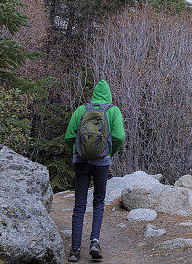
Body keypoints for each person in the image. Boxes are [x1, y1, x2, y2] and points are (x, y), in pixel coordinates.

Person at [64, 80, 125, 262]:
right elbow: (119, 136)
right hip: (102, 163)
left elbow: (69, 136)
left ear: (93, 94)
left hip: (81, 161)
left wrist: (77, 150)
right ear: (108, 94)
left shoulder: (82, 110)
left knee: (79, 206)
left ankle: (75, 251)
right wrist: (109, 152)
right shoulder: (113, 111)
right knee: (98, 202)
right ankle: (94, 242)